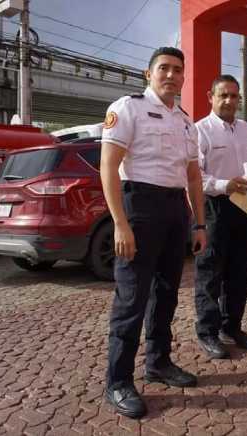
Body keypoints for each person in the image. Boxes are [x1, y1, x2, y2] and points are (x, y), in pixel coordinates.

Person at [99, 46, 207, 419]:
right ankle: (117, 381)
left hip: (175, 210)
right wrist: (119, 222)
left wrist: (199, 222)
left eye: (178, 70)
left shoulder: (185, 122)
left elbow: (194, 176)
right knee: (131, 298)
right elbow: (109, 168)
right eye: (164, 68)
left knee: (165, 293)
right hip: (139, 208)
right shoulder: (127, 108)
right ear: (149, 74)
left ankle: (159, 362)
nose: (172, 75)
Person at [193, 74, 247, 359]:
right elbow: (194, 176)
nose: (229, 101)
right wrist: (225, 185)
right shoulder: (199, 131)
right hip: (215, 208)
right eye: (223, 95)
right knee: (210, 273)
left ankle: (232, 327)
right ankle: (208, 333)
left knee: (240, 273)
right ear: (210, 97)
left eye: (234, 96)